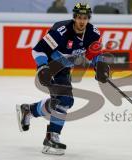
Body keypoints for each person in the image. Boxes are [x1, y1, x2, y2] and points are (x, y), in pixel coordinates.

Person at [16, 3, 110, 155]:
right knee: (65, 100)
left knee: (61, 101)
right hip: (51, 66)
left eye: (85, 18)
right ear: (74, 17)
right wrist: (42, 67)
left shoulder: (93, 33)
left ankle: (30, 110)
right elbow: (38, 50)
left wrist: (101, 66)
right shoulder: (61, 31)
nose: (82, 21)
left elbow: (94, 54)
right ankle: (52, 137)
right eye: (79, 17)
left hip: (65, 68)